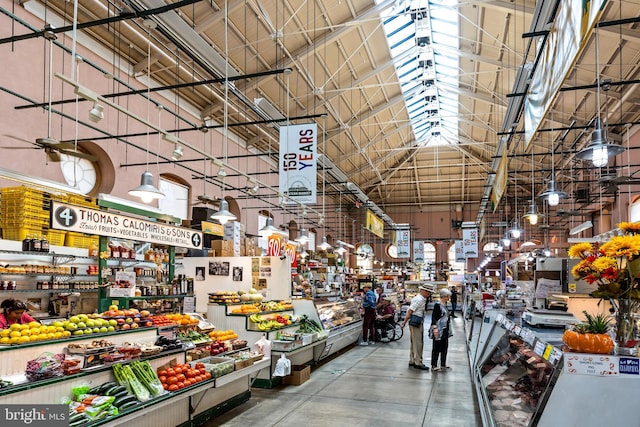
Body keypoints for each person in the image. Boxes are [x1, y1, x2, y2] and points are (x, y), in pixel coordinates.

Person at [400, 285, 433, 370]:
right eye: (428, 292)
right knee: (418, 343)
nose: (429, 294)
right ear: (423, 291)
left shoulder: (420, 299)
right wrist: (404, 322)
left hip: (416, 321)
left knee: (414, 342)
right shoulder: (419, 300)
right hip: (416, 322)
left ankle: (412, 360)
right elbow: (410, 311)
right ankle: (418, 362)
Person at [430, 288, 452, 371]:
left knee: (444, 346)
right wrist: (434, 328)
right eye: (448, 296)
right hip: (439, 329)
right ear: (444, 296)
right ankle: (434, 365)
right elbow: (434, 317)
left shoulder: (445, 305)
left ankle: (443, 363)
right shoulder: (438, 305)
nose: (449, 298)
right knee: (436, 347)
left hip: (445, 329)